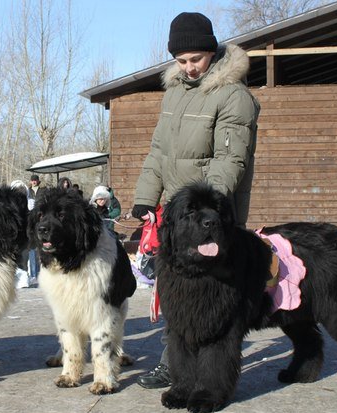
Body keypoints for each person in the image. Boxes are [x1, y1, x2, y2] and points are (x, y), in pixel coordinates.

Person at [131, 12, 260, 389]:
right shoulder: (173, 93)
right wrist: (145, 198)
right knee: (177, 293)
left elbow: (230, 159)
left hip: (210, 215)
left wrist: (209, 209)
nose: (188, 68)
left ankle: (204, 369)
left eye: (196, 60)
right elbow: (159, 152)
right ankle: (177, 363)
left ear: (212, 52)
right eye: (181, 61)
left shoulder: (234, 97)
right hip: (178, 215)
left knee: (211, 297)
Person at [27, 174, 45, 282]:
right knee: (32, 249)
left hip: (41, 219)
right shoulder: (27, 191)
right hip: (31, 220)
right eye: (32, 180)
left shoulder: (42, 191)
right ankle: (34, 274)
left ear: (38, 181)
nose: (34, 182)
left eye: (35, 180)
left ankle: (41, 272)